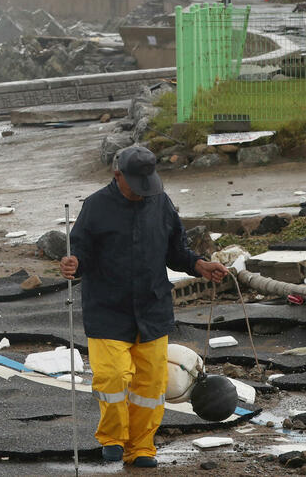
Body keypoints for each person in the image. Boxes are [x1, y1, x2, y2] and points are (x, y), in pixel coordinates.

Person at [59, 145, 228, 468]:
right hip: (107, 309)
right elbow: (80, 253)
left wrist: (200, 265)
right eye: (135, 184)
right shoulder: (95, 207)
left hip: (152, 308)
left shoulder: (160, 203)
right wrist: (73, 264)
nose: (141, 192)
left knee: (150, 385)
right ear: (117, 174)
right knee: (113, 377)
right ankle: (112, 438)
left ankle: (141, 446)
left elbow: (176, 252)